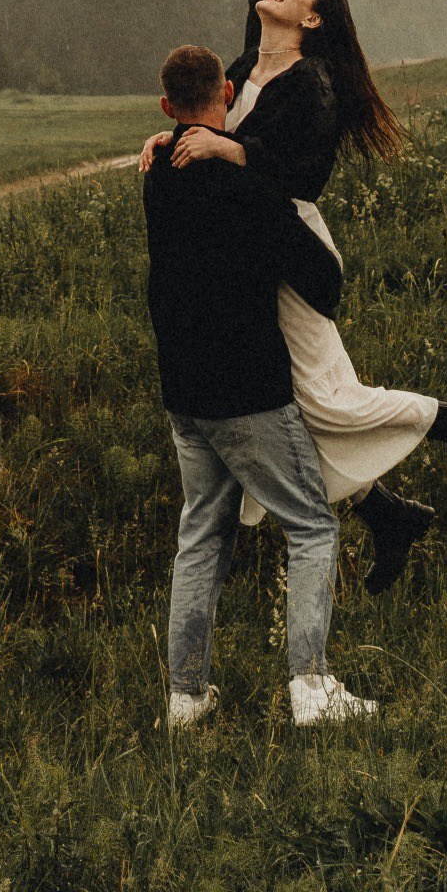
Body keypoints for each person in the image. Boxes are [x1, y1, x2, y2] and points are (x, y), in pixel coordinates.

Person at [140, 0, 447, 593]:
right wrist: (171, 135)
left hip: (292, 249)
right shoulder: (249, 61)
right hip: (254, 245)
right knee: (289, 401)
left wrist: (234, 153)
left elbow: (303, 175)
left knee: (321, 400)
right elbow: (212, 119)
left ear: (312, 19)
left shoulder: (313, 82)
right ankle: (384, 513)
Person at [143, 42, 378, 729]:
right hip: (247, 387)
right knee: (309, 523)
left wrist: (176, 137)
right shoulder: (248, 188)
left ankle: (185, 699)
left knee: (202, 537)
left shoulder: (156, 168)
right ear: (228, 92)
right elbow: (324, 284)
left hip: (184, 391)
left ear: (166, 108)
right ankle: (311, 686)